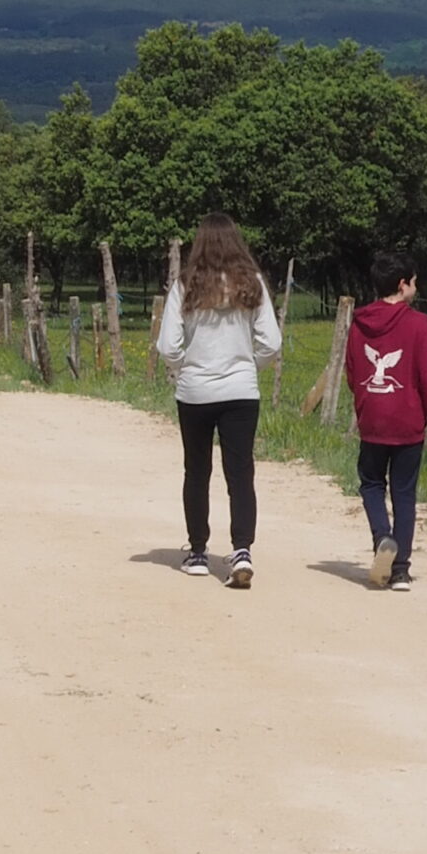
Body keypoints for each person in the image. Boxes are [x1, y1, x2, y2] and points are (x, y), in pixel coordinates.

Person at [159, 213, 281, 587]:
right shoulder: (252, 284)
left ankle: (198, 552)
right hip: (241, 391)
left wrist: (185, 368)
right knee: (240, 473)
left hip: (195, 391)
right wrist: (248, 366)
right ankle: (241, 549)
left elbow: (168, 345)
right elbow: (272, 344)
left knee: (196, 471)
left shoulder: (186, 285)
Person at [346, 252, 427, 591]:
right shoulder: (419, 324)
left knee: (372, 485)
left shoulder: (358, 323)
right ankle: (400, 570)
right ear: (403, 285)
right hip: (408, 423)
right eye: (414, 282)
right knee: (404, 493)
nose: (415, 288)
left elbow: (352, 371)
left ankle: (382, 538)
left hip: (373, 419)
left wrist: (364, 405)